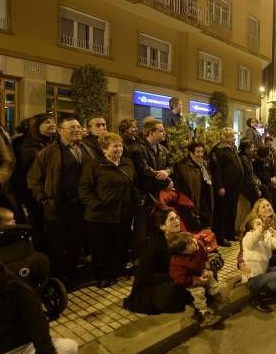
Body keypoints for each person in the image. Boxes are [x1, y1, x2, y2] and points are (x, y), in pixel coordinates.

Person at [27, 118, 93, 286]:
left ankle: (71, 276)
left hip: (81, 207)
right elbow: (34, 179)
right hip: (58, 207)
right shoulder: (49, 152)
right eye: (72, 128)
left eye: (79, 127)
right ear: (61, 131)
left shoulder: (86, 148)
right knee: (56, 244)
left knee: (76, 243)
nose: (77, 130)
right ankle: (57, 278)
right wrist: (45, 200)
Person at [78, 132, 138, 288]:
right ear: (104, 149)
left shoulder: (127, 163)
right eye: (115, 146)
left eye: (120, 146)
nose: (119, 149)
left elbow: (133, 185)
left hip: (123, 215)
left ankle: (117, 271)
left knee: (119, 245)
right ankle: (102, 276)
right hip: (100, 217)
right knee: (101, 248)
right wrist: (97, 204)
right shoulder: (94, 166)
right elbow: (84, 189)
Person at [124, 210, 192, 315]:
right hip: (152, 287)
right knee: (176, 291)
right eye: (171, 219)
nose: (176, 221)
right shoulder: (153, 246)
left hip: (172, 279)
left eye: (177, 218)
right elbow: (144, 277)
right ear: (162, 226)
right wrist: (172, 276)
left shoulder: (180, 239)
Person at [129, 119, 173, 251]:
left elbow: (171, 165)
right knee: (142, 231)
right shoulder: (137, 148)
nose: (164, 133)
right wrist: (166, 182)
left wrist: (167, 171)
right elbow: (144, 170)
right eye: (161, 131)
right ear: (151, 133)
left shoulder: (163, 149)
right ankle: (139, 260)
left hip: (158, 196)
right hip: (144, 197)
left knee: (157, 229)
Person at [12, 113, 56, 242]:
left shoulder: (49, 142)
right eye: (47, 122)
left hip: (46, 191)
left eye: (53, 121)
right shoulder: (28, 147)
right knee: (38, 224)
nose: (52, 124)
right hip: (32, 193)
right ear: (36, 126)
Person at [167, 232, 226, 328]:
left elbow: (205, 256)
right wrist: (196, 280)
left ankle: (216, 296)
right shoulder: (177, 262)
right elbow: (180, 278)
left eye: (192, 238)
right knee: (198, 293)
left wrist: (206, 268)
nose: (194, 241)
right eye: (190, 243)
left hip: (201, 272)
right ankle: (204, 314)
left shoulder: (197, 246)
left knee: (212, 280)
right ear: (183, 251)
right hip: (190, 281)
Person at [241, 217, 276, 313]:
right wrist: (262, 229)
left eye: (262, 223)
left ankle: (272, 292)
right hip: (252, 279)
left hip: (264, 272)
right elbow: (252, 240)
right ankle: (256, 299)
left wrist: (272, 231)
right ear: (251, 229)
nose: (262, 226)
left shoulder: (266, 237)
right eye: (258, 224)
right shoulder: (248, 237)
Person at [209, 128, 243, 246]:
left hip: (234, 187)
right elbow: (216, 170)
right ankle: (220, 236)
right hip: (225, 188)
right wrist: (220, 186)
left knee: (232, 212)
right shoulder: (219, 150)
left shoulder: (232, 149)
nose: (234, 138)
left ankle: (230, 234)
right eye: (232, 136)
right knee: (222, 212)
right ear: (226, 137)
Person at [174, 142, 214, 232]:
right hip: (191, 204)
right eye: (198, 152)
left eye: (202, 152)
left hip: (204, 204)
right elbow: (179, 187)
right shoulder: (182, 166)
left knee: (206, 228)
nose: (200, 154)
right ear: (191, 153)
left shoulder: (204, 165)